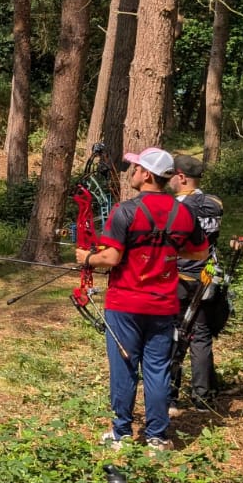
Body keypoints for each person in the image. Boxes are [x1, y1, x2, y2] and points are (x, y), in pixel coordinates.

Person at [76, 147, 209, 452]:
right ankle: (157, 437)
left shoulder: (125, 211)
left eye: (135, 168)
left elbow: (110, 258)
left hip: (125, 304)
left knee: (124, 367)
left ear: (147, 174)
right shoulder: (184, 212)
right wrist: (167, 250)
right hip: (163, 304)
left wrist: (87, 259)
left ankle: (121, 434)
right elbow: (200, 252)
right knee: (158, 368)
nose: (132, 172)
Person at [168, 153, 224, 407]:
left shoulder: (176, 208)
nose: (168, 180)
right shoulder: (214, 203)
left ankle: (170, 395)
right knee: (200, 335)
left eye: (171, 175)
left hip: (181, 279)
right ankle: (203, 396)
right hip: (208, 277)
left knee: (175, 334)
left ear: (181, 177)